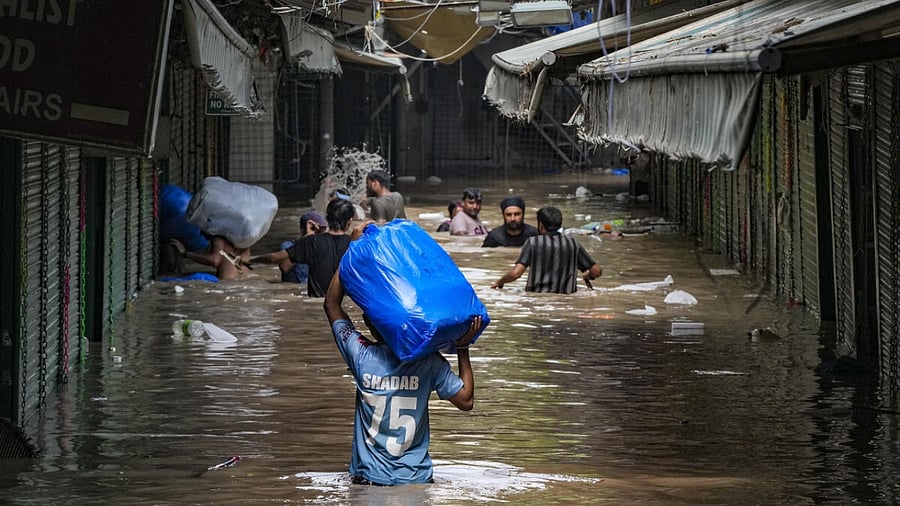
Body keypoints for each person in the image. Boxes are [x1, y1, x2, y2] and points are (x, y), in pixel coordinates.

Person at [324, 270, 481, 486]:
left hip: (369, 480)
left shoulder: (361, 355)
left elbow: (331, 305)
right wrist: (462, 347)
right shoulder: (429, 362)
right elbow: (466, 400)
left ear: (371, 325)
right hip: (416, 481)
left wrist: (349, 259)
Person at [250, 199, 360, 297]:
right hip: (343, 304)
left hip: (317, 303)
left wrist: (249, 260)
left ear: (327, 219)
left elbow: (273, 259)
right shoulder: (355, 245)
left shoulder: (311, 242)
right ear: (349, 222)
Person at [491, 206, 602, 294]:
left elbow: (516, 274)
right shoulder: (573, 244)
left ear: (541, 225)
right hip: (566, 301)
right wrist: (588, 275)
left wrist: (500, 282)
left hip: (537, 300)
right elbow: (597, 271)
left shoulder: (532, 243)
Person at [251, 210, 328, 283]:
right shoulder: (288, 245)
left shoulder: (321, 247)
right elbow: (285, 267)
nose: (320, 234)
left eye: (322, 230)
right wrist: (306, 242)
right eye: (318, 230)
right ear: (304, 229)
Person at [170, 234, 249, 281]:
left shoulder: (219, 238)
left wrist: (185, 253)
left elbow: (215, 260)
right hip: (243, 280)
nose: (201, 233)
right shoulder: (246, 239)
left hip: (226, 284)